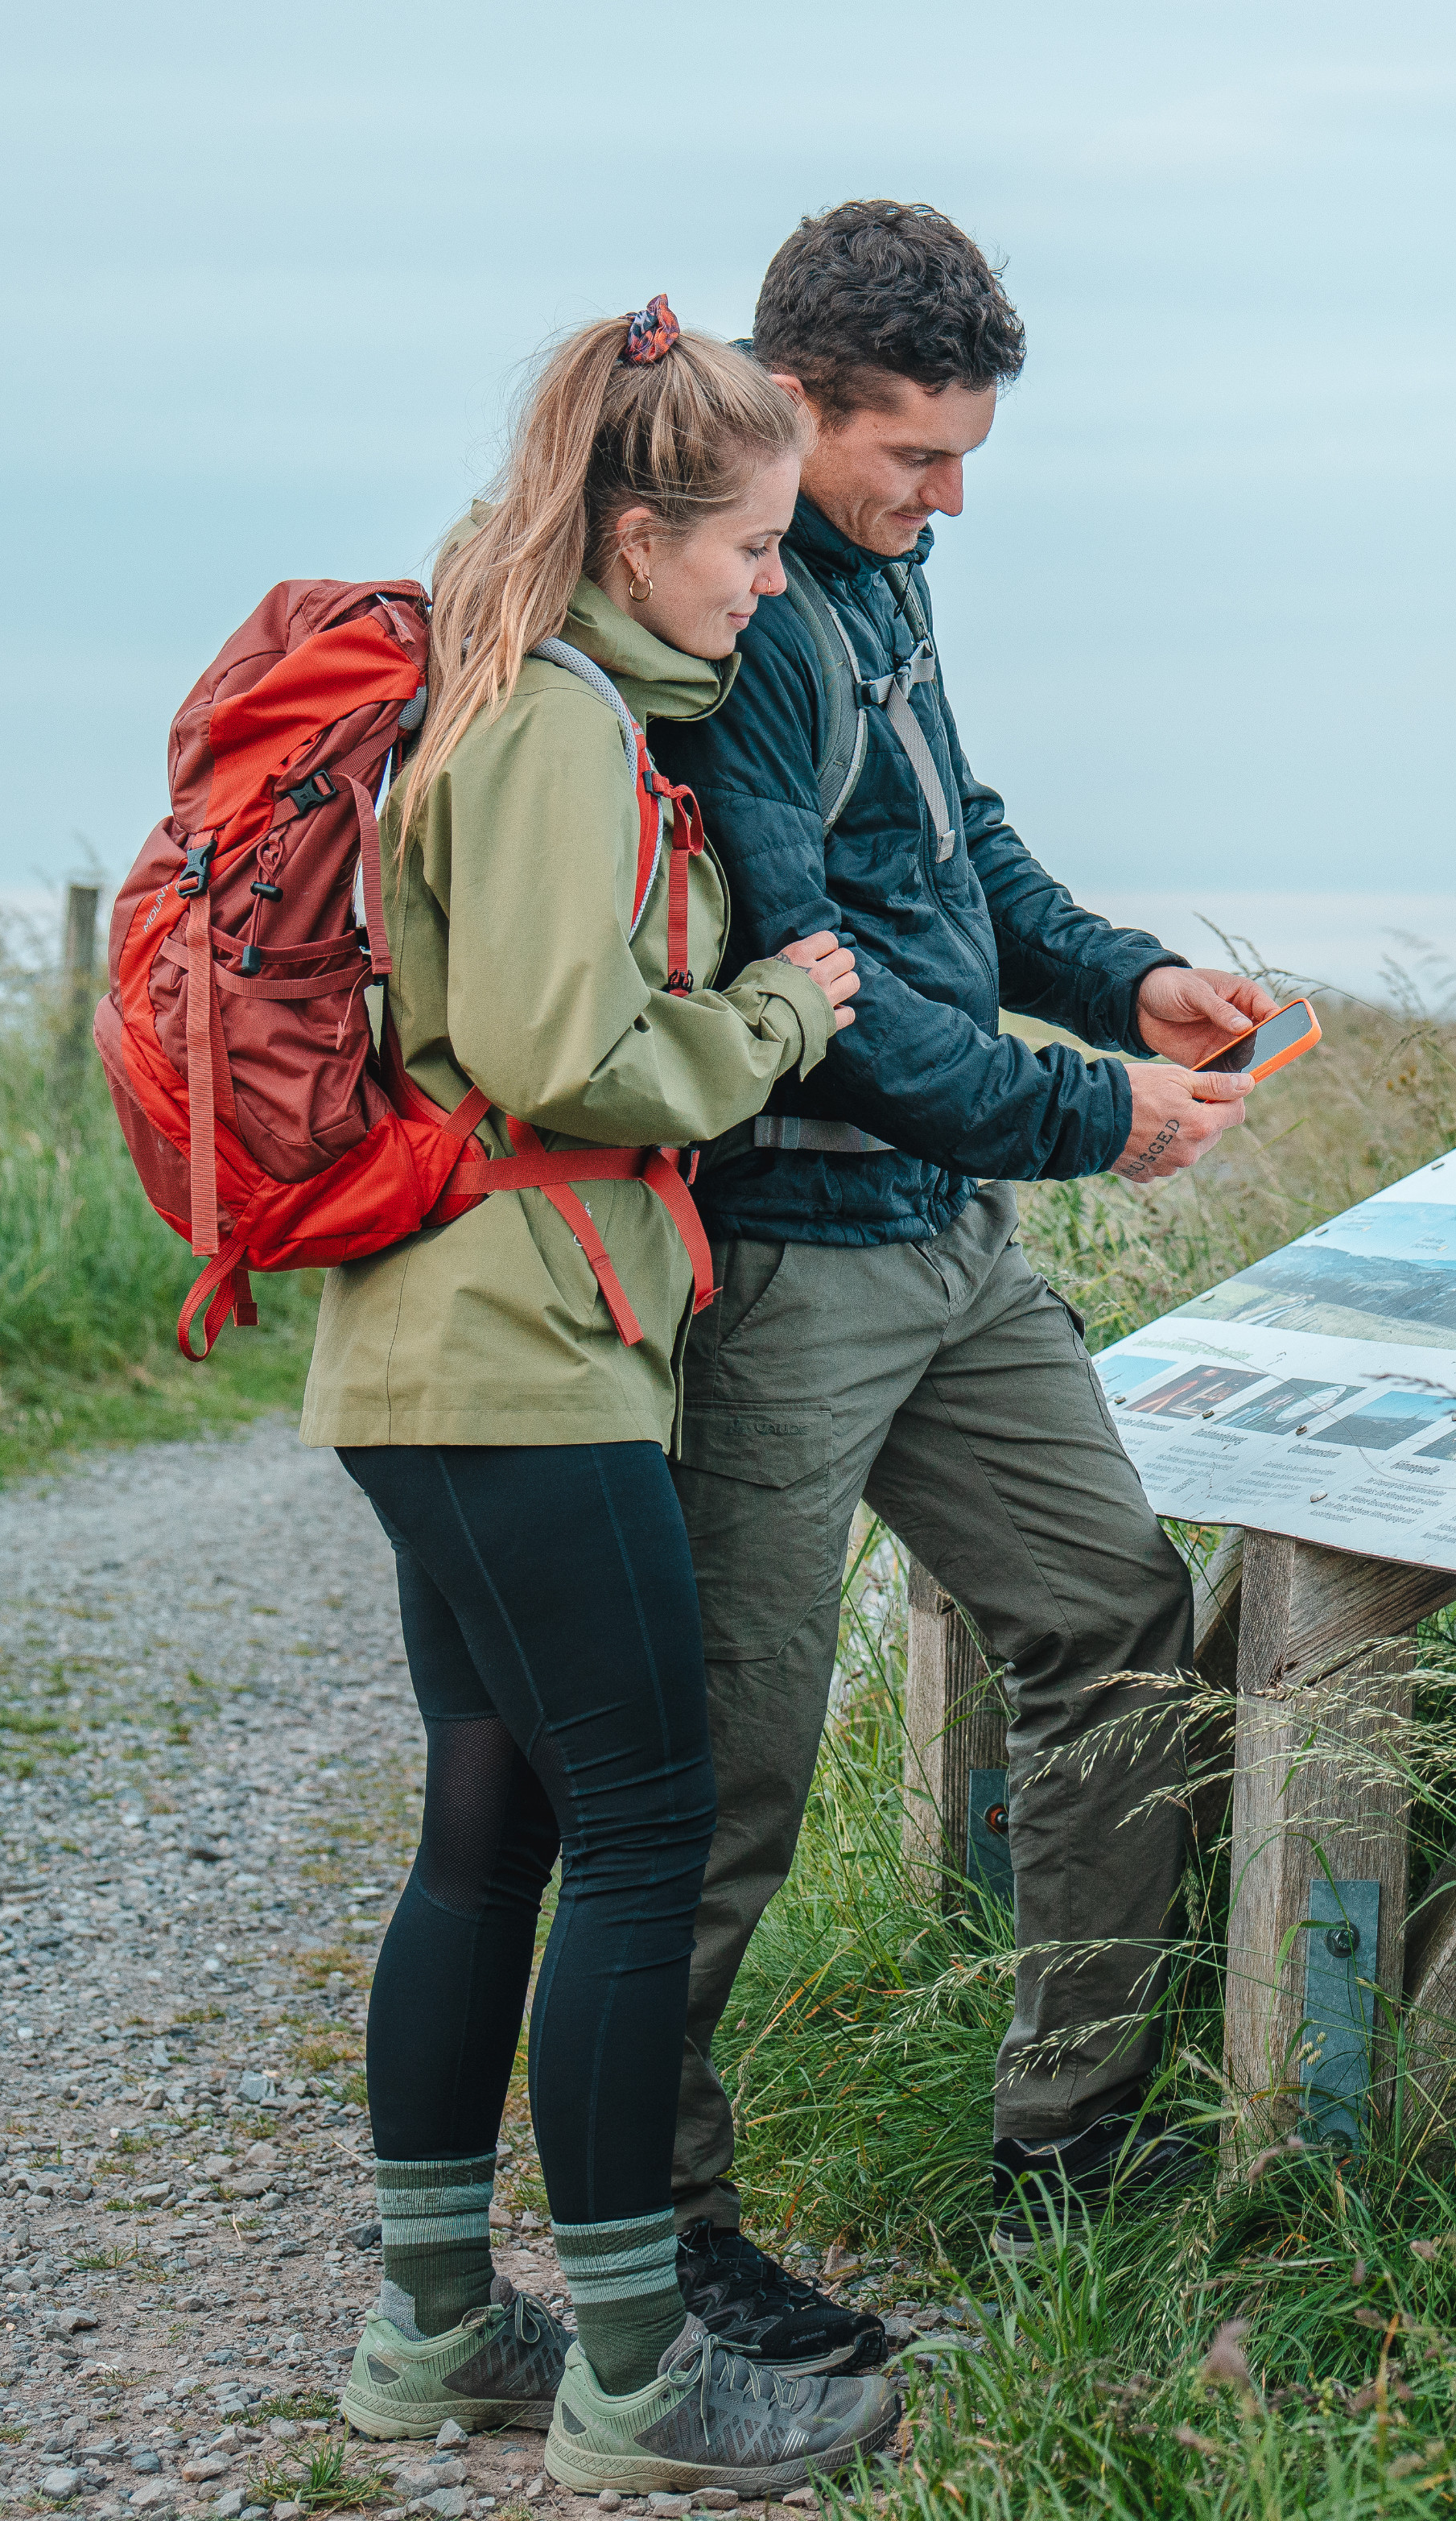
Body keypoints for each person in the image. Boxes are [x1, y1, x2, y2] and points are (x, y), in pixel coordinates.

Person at [638, 200, 1283, 2342]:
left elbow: (956, 849)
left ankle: (1069, 2149)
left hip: (952, 1246)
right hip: (785, 1260)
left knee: (1111, 1616)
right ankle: (671, 2248)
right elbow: (805, 977)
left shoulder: (885, 577)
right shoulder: (736, 620)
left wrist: (1129, 983)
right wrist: (1097, 1112)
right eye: (915, 454)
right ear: (793, 406)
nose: (951, 497)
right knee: (729, 1761)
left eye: (965, 454)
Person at [308, 296, 904, 2494]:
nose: (766, 580)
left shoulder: (503, 690)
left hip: (433, 1351)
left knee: (491, 1831)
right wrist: (779, 1016)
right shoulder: (557, 725)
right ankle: (643, 2381)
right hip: (525, 1359)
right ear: (640, 538)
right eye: (746, 545)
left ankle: (436, 2332)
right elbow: (566, 1050)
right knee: (647, 1832)